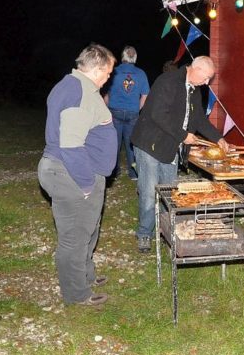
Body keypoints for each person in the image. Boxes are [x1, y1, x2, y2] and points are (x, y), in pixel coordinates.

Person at [37, 44, 118, 306]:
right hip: (72, 173)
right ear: (96, 69)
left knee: (87, 229)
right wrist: (85, 183)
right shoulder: (79, 90)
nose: (109, 78)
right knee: (74, 236)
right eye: (108, 72)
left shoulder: (72, 85)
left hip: (74, 170)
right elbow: (70, 144)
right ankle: (77, 294)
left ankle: (85, 276)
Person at [131, 56, 230, 253]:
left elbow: (200, 119)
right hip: (149, 143)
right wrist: (183, 135)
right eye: (207, 77)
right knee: (150, 192)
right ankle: (144, 234)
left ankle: (168, 231)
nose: (207, 82)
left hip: (171, 145)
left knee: (171, 192)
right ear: (196, 69)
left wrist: (218, 138)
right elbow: (158, 114)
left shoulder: (195, 88)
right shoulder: (168, 81)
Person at [103, 46, 149, 180]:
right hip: (132, 113)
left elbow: (105, 94)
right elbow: (145, 96)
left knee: (114, 144)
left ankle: (112, 173)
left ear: (123, 57)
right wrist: (136, 108)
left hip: (114, 112)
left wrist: (109, 108)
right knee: (131, 144)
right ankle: (133, 173)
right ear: (135, 58)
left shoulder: (114, 72)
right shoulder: (141, 74)